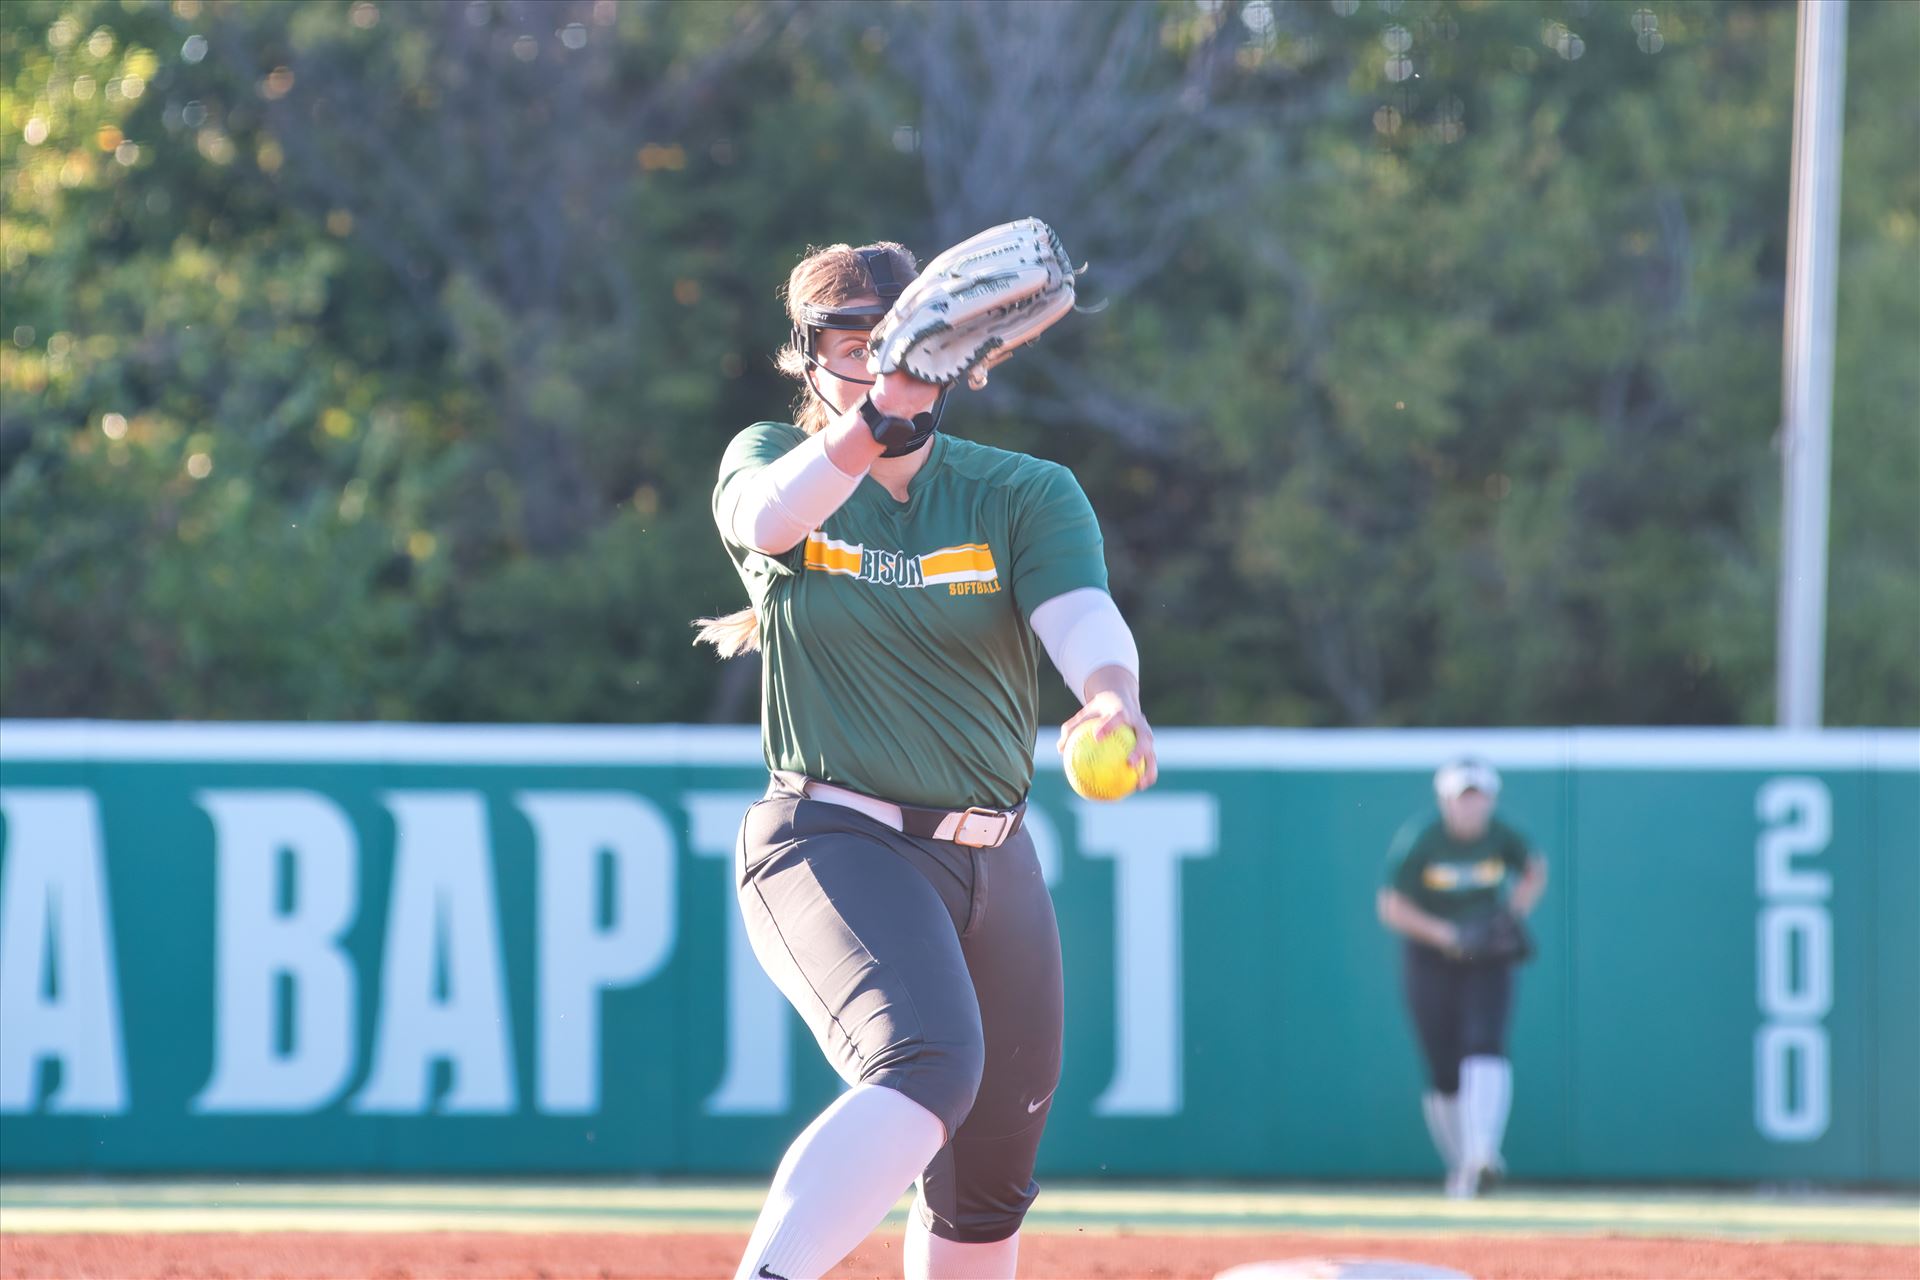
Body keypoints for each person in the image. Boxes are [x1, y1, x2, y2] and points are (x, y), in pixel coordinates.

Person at [695, 240, 1156, 1280]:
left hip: (996, 859)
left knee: (986, 1191)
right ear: (808, 360)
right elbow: (769, 517)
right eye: (850, 344)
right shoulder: (772, 455)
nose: (876, 361)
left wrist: (1109, 694)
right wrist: (876, 417)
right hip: (830, 833)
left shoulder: (1022, 492)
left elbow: (1081, 615)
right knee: (926, 1059)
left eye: (901, 340)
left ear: (968, 357)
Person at [1376, 758, 1547, 1198]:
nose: (1470, 808)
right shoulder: (1422, 839)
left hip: (1487, 953)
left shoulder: (1501, 835)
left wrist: (1511, 913)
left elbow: (1534, 867)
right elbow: (1391, 905)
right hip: (1431, 955)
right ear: (1445, 801)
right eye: (1461, 798)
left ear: (1490, 799)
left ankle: (1483, 1153)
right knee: (1442, 1066)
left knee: (1485, 1042)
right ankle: (1463, 1166)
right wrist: (1446, 934)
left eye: (1478, 797)